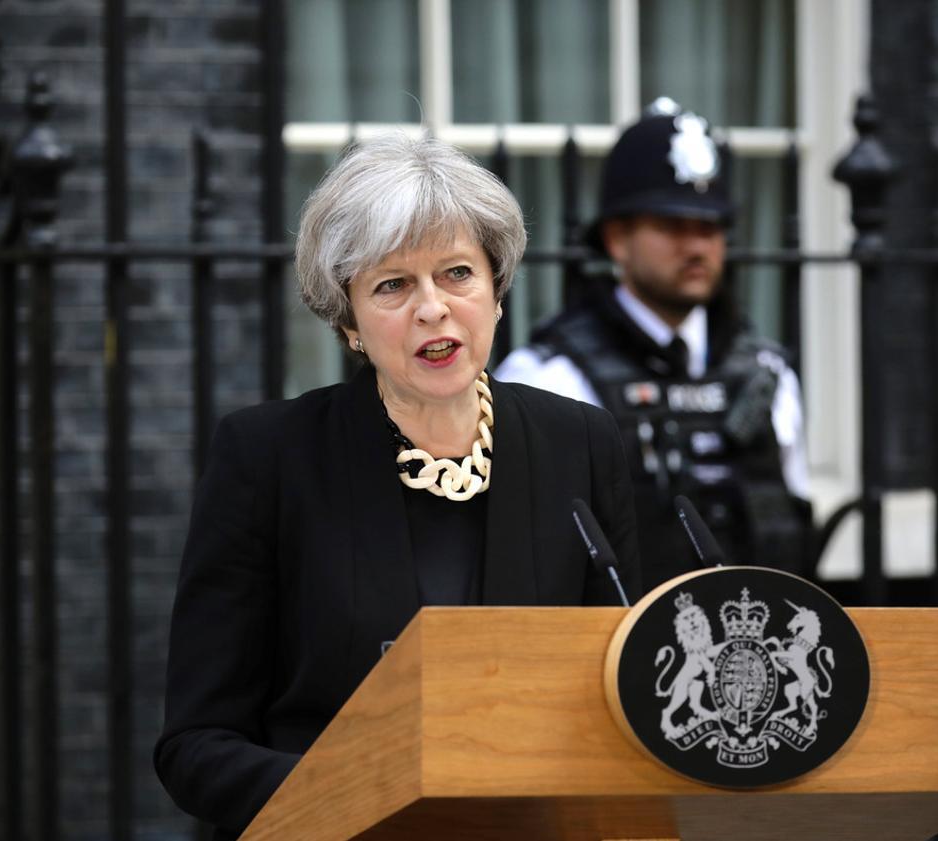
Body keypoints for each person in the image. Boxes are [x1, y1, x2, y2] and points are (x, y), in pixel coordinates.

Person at [154, 133, 641, 839]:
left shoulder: (583, 445)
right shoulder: (267, 458)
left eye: (456, 273)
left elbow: (623, 695)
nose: (432, 308)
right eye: (392, 285)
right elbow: (195, 744)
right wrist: (361, 791)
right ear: (349, 320)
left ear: (497, 290)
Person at [496, 99, 810, 590]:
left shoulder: (768, 372)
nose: (696, 247)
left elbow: (791, 522)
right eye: (671, 226)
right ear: (618, 238)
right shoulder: (552, 377)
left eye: (709, 228)